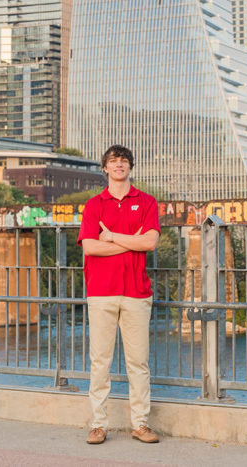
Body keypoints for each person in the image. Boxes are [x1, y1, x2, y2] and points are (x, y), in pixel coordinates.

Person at [78, 144, 160, 445]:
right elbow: (90, 247)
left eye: (124, 161)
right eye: (113, 161)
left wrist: (111, 236)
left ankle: (140, 424)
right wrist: (130, 242)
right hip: (101, 291)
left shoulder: (147, 202)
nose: (119, 165)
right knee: (100, 361)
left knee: (138, 363)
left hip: (137, 292)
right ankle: (98, 425)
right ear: (105, 168)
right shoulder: (94, 205)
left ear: (130, 167)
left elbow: (150, 242)